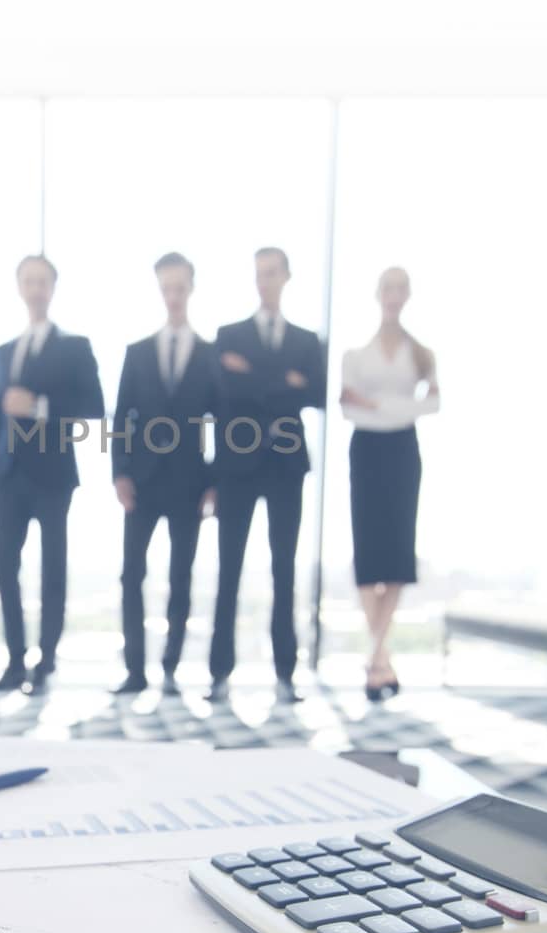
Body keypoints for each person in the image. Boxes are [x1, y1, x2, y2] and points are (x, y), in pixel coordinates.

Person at [208, 247, 326, 702]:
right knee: (229, 569)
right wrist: (284, 383)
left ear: (286, 277)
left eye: (271, 274)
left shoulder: (306, 340)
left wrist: (253, 375)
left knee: (284, 570)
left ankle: (285, 674)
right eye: (258, 274)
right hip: (237, 466)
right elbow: (226, 394)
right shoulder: (228, 334)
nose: (264, 282)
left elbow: (314, 393)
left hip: (286, 465)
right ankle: (219, 674)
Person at [0, 254, 104, 695]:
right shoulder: (4, 352)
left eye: (42, 282)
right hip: (10, 473)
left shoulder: (75, 347)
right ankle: (15, 661)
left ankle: (46, 662)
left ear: (52, 289)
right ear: (19, 287)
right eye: (28, 281)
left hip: (54, 474)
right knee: (5, 566)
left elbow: (93, 405)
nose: (35, 289)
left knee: (52, 569)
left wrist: (38, 408)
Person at [110, 252, 217, 695]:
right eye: (166, 288)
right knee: (131, 573)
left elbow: (224, 422)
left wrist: (214, 481)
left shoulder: (210, 355)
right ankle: (135, 669)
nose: (173, 296)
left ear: (191, 288)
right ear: (160, 290)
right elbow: (121, 418)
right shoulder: (137, 353)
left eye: (180, 287)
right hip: (143, 480)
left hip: (190, 483)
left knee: (181, 575)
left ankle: (170, 668)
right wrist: (120, 474)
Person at [341, 266, 439, 700]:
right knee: (368, 554)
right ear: (378, 294)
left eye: (402, 288)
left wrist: (375, 403)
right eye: (388, 288)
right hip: (366, 453)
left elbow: (433, 404)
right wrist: (398, 406)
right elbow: (349, 408)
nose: (394, 296)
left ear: (408, 295)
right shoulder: (355, 356)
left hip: (402, 453)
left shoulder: (422, 354)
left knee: (397, 555)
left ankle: (376, 657)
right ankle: (380, 658)